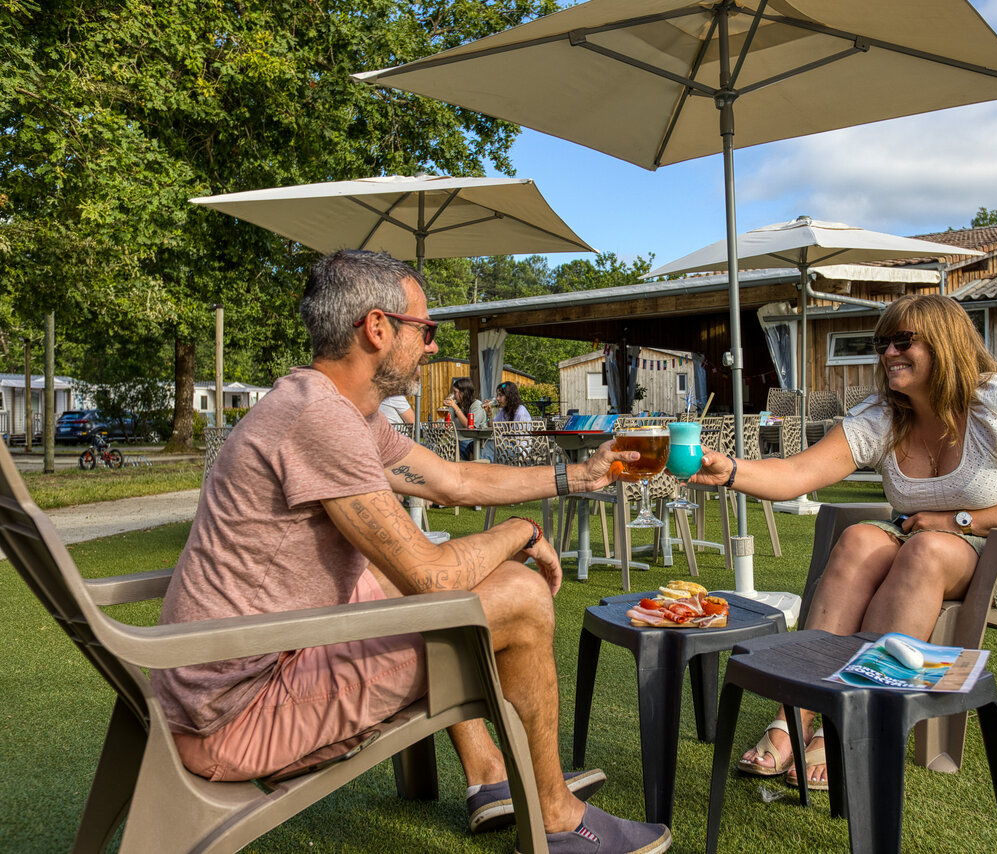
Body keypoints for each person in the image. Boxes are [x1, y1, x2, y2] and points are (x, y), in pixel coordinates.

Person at [154, 249, 671, 853]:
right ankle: (554, 813)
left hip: (223, 676)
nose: (430, 347)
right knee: (519, 595)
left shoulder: (329, 407)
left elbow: (455, 482)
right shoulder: (320, 419)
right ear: (378, 328)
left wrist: (578, 476)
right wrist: (522, 534)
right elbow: (431, 579)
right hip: (236, 714)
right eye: (425, 331)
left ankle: (489, 774)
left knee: (401, 567)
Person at [689, 293, 997, 791]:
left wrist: (958, 520)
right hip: (922, 533)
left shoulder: (996, 406)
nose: (888, 352)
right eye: (881, 343)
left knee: (927, 551)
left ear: (946, 344)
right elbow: (798, 472)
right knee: (856, 541)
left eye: (903, 340)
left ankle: (855, 718)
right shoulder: (883, 416)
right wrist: (732, 470)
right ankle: (800, 712)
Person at [479, 381, 533, 461]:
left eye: (500, 395)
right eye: (497, 395)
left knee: (489, 446)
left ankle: (485, 470)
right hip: (506, 446)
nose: (497, 398)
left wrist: (499, 439)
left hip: (519, 449)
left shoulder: (520, 412)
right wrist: (489, 415)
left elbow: (516, 438)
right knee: (480, 446)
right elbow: (493, 426)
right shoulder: (504, 411)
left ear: (509, 396)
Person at [443, 376, 486, 458]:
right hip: (455, 441)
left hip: (471, 442)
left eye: (455, 392)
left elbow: (469, 426)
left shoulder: (476, 405)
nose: (453, 395)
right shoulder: (456, 404)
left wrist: (455, 407)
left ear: (463, 392)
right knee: (437, 448)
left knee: (451, 451)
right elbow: (448, 423)